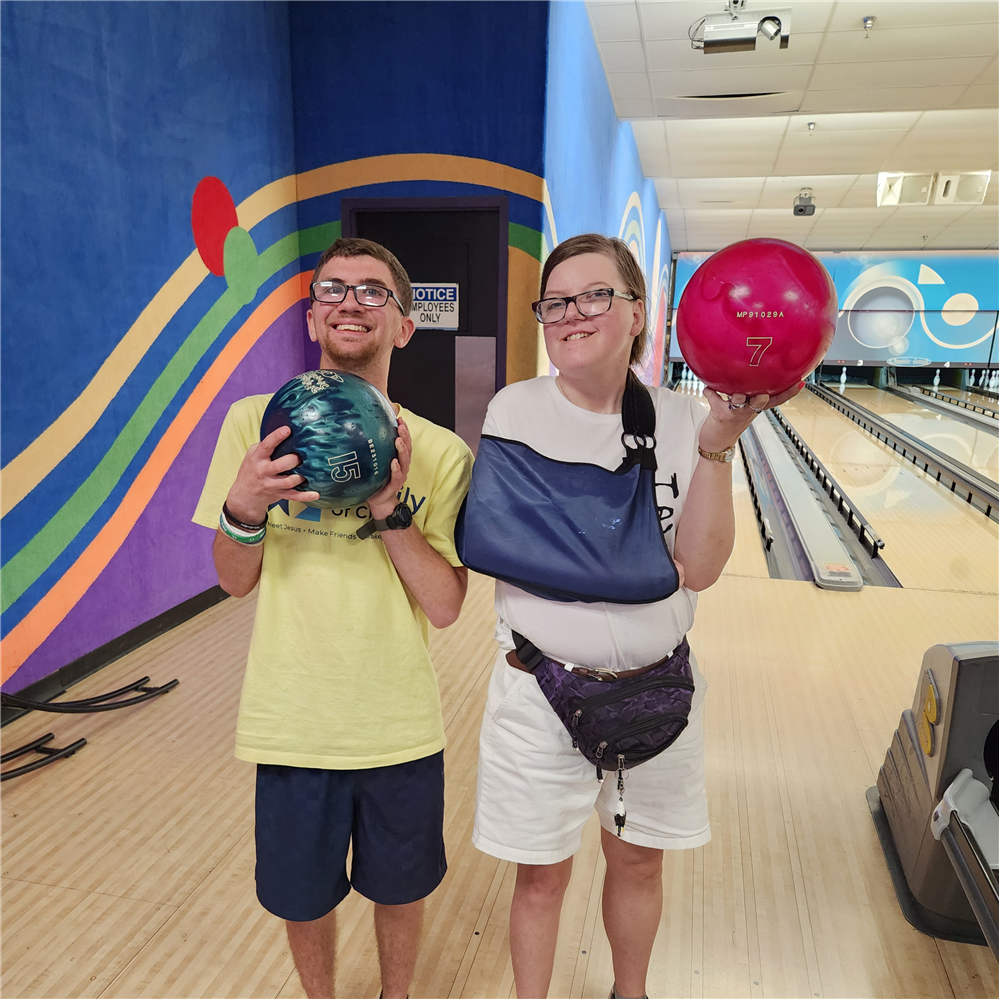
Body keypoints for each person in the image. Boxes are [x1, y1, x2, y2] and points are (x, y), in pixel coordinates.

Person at [470, 233, 802, 999]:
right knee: (540, 875)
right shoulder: (515, 409)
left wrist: (720, 445)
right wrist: (627, 568)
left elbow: (700, 570)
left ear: (635, 315)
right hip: (538, 689)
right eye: (555, 301)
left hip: (657, 687)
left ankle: (631, 992)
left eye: (594, 295)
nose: (571, 313)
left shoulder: (686, 419)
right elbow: (500, 544)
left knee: (639, 859)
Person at [192, 237, 473, 999]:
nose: (351, 301)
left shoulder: (441, 452)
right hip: (292, 716)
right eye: (334, 288)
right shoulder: (257, 424)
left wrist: (389, 507)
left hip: (396, 719)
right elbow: (232, 582)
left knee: (399, 887)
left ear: (405, 325)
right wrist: (245, 505)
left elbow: (446, 606)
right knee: (301, 895)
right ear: (313, 314)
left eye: (374, 291)